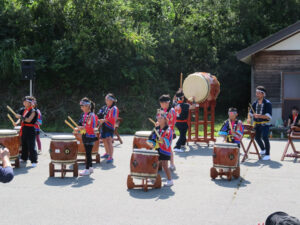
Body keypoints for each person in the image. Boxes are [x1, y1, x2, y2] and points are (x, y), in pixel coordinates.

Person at [147, 111, 174, 187]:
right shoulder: (157, 128)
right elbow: (152, 137)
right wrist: (151, 143)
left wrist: (164, 140)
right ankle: (152, 177)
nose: (159, 119)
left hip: (165, 150)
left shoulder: (168, 130)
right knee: (154, 163)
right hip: (157, 148)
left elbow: (169, 142)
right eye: (158, 118)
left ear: (165, 119)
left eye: (161, 118)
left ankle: (170, 180)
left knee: (165, 165)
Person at [247, 86, 272, 160]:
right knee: (257, 138)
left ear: (263, 94)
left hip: (265, 124)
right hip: (257, 123)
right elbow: (251, 112)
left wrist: (259, 115)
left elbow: (268, 116)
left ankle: (268, 154)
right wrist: (249, 118)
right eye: (256, 93)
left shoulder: (268, 103)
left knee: (265, 137)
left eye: (258, 93)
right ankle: (263, 149)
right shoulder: (255, 103)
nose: (256, 94)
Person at [76, 97, 98, 176]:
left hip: (90, 136)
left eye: (82, 106)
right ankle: (91, 167)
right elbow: (81, 124)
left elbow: (92, 127)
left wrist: (82, 128)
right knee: (88, 152)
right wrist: (79, 129)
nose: (81, 107)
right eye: (81, 106)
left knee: (88, 153)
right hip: (85, 134)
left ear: (87, 106)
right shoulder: (84, 115)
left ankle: (87, 169)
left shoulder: (92, 115)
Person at [15, 96, 38, 167]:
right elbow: (20, 118)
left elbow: (28, 120)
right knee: (24, 144)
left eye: (26, 102)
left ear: (30, 103)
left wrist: (20, 117)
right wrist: (16, 122)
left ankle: (34, 160)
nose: (24, 103)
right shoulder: (22, 110)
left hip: (30, 129)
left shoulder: (33, 111)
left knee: (31, 145)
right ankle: (24, 158)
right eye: (24, 101)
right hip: (24, 128)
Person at [97, 93, 119, 163]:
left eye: (108, 100)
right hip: (103, 126)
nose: (106, 101)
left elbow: (113, 118)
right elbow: (99, 114)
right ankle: (107, 153)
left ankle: (111, 156)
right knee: (104, 140)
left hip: (110, 126)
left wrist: (104, 120)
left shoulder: (114, 108)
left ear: (112, 101)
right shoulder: (104, 107)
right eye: (106, 100)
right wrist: (97, 118)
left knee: (109, 141)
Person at [158, 94, 176, 170]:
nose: (161, 105)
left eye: (162, 103)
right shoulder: (161, 110)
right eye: (160, 103)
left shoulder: (172, 111)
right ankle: (160, 164)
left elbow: (172, 123)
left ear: (167, 103)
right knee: (159, 146)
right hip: (161, 131)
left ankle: (171, 164)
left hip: (169, 132)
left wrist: (163, 122)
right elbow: (158, 119)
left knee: (168, 147)